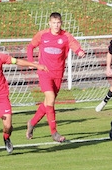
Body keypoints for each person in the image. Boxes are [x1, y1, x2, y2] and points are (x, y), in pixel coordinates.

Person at [25, 12, 86, 142]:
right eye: (54, 23)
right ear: (49, 23)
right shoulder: (42, 35)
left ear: (61, 23)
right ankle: (54, 133)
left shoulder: (65, 36)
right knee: (51, 98)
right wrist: (31, 62)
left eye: (58, 23)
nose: (56, 25)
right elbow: (30, 47)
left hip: (58, 74)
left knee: (48, 102)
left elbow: (74, 44)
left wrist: (79, 51)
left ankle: (32, 122)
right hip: (44, 72)